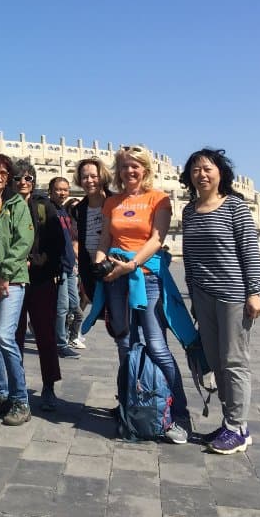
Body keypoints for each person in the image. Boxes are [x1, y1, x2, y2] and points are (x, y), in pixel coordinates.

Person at [84, 145, 192, 444]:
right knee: (124, 343)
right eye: (124, 166)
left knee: (157, 346)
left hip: (147, 277)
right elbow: (105, 239)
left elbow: (157, 239)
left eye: (135, 166)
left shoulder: (158, 199)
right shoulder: (113, 202)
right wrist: (100, 268)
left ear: (145, 169)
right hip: (115, 279)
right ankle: (131, 404)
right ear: (117, 171)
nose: (129, 171)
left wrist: (131, 265)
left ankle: (178, 413)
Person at [180, 148, 260, 454]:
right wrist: (192, 293)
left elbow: (250, 251)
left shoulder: (234, 207)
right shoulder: (189, 211)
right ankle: (231, 423)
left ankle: (238, 427)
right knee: (216, 362)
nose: (201, 175)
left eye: (207, 169)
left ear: (220, 173)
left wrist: (255, 292)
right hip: (203, 295)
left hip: (233, 295)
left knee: (234, 361)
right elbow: (189, 256)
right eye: (195, 170)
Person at [0, 154, 35, 425]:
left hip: (10, 279)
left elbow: (23, 241)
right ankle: (0, 394)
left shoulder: (16, 203)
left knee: (4, 336)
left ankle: (21, 400)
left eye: (3, 172)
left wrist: (5, 274)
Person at [13, 160, 68, 412]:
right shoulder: (7, 205)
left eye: (28, 178)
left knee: (45, 334)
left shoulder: (45, 206)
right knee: (14, 335)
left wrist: (35, 261)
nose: (23, 182)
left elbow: (57, 245)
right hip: (13, 279)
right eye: (18, 178)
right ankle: (16, 385)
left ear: (34, 182)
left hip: (41, 279)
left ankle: (49, 386)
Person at [69, 157, 114, 350]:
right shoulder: (79, 209)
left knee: (123, 326)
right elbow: (78, 240)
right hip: (93, 273)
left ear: (102, 176)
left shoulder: (116, 202)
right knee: (114, 325)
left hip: (117, 270)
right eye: (84, 177)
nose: (89, 181)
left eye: (93, 176)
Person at [48, 177, 84, 353]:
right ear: (50, 191)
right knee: (61, 307)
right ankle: (60, 344)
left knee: (75, 306)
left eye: (65, 189)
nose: (62, 193)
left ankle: (69, 337)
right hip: (59, 267)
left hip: (70, 266)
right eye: (58, 189)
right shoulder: (50, 210)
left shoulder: (63, 212)